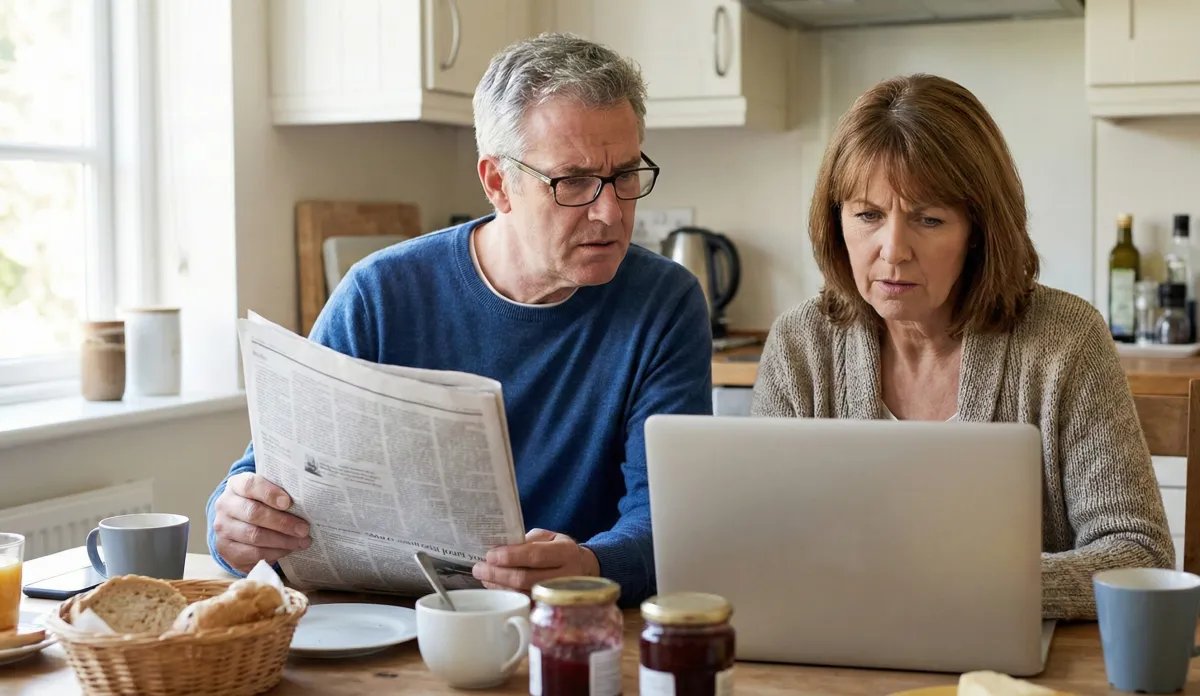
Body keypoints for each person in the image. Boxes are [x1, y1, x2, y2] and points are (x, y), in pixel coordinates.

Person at [205, 33, 713, 606]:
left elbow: (667, 518)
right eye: (572, 181)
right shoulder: (379, 294)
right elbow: (261, 485)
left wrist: (591, 565)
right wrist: (235, 527)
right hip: (390, 630)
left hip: (571, 624)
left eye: (624, 175)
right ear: (498, 183)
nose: (610, 211)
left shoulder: (665, 302)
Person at [751, 73, 1173, 621]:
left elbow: (1138, 557)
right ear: (837, 221)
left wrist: (963, 584)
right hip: (838, 650)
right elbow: (759, 545)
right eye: (868, 215)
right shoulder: (800, 344)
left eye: (929, 219)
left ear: (978, 229)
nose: (894, 250)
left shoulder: (1065, 339)